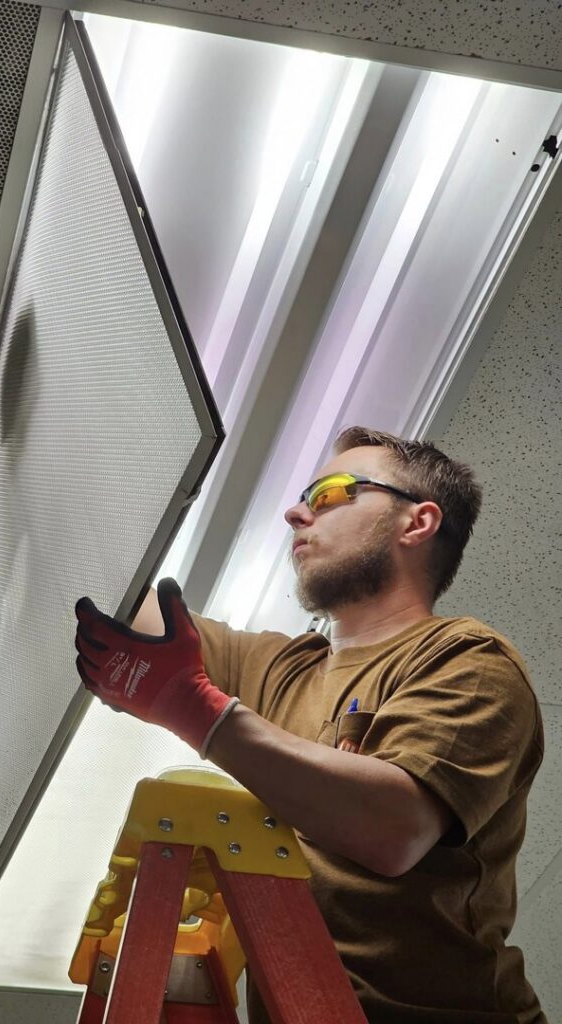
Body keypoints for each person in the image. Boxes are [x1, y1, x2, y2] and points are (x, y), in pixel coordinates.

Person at [74, 426, 545, 1023]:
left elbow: (395, 830)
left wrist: (199, 712)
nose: (296, 513)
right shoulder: (279, 666)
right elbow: (114, 601)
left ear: (416, 523)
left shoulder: (468, 659)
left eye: (329, 495)